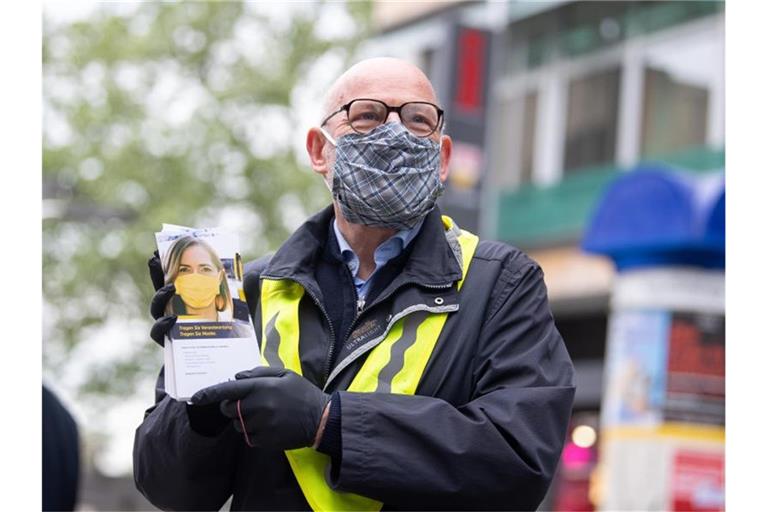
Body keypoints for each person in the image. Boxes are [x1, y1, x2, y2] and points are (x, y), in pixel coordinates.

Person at [134, 57, 575, 511]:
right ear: (319, 150)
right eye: (367, 116)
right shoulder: (250, 291)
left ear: (442, 159)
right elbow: (170, 490)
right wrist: (199, 406)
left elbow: (518, 460)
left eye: (417, 119)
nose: (394, 134)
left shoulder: (500, 283)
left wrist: (329, 422)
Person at [160, 235, 233, 322]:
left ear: (220, 277)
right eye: (184, 270)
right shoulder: (170, 330)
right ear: (173, 279)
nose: (196, 278)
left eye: (205, 269)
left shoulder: (242, 332)